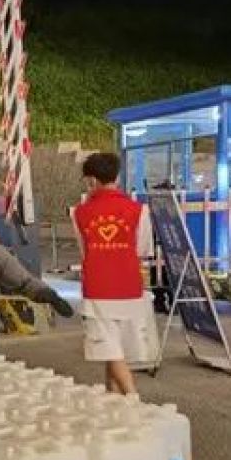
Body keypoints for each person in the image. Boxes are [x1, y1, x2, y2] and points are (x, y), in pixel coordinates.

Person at [73, 152, 154, 395]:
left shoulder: (79, 213)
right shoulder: (139, 210)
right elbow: (143, 250)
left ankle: (132, 397)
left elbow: (84, 251)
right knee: (117, 348)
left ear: (91, 180)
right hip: (129, 285)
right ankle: (113, 397)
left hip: (98, 287)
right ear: (116, 177)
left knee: (110, 349)